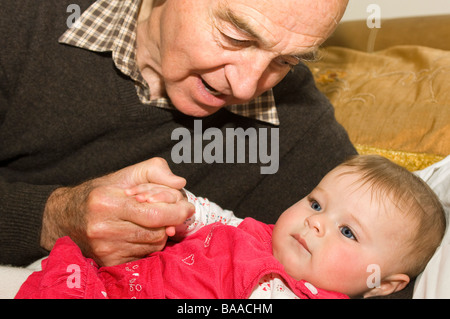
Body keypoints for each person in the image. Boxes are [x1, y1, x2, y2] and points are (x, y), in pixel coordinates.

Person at [0, 0, 354, 268]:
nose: (247, 87)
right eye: (237, 36)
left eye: (285, 61)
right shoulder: (20, 19)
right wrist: (51, 217)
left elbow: (388, 254)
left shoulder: (297, 121)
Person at [15, 155, 446, 299]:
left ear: (385, 284)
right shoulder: (260, 234)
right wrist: (178, 205)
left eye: (348, 232)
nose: (316, 222)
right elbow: (215, 217)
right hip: (97, 284)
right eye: (317, 203)